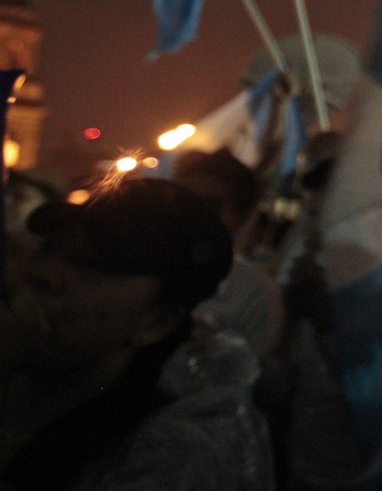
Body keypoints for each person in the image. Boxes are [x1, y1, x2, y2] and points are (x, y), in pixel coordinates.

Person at [0, 177, 272, 490]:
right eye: (50, 248)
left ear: (156, 323)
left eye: (92, 265)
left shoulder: (171, 455)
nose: (43, 273)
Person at [172, 147, 284, 358]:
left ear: (240, 217)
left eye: (208, 206)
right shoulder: (133, 270)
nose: (191, 214)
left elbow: (254, 377)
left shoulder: (254, 293)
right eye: (181, 201)